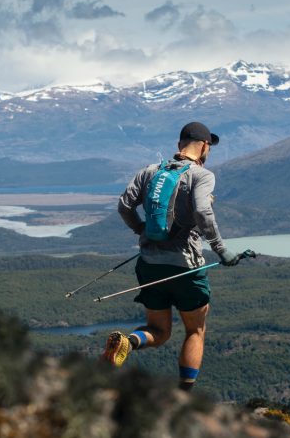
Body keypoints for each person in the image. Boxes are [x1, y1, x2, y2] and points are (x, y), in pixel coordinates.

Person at [101, 121, 239, 392]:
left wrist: (140, 228)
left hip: (150, 264)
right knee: (195, 331)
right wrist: (221, 249)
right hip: (185, 267)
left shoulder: (149, 172)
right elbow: (202, 211)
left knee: (159, 330)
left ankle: (129, 342)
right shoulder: (202, 175)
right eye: (209, 147)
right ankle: (183, 397)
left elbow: (124, 205)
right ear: (204, 146)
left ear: (179, 145)